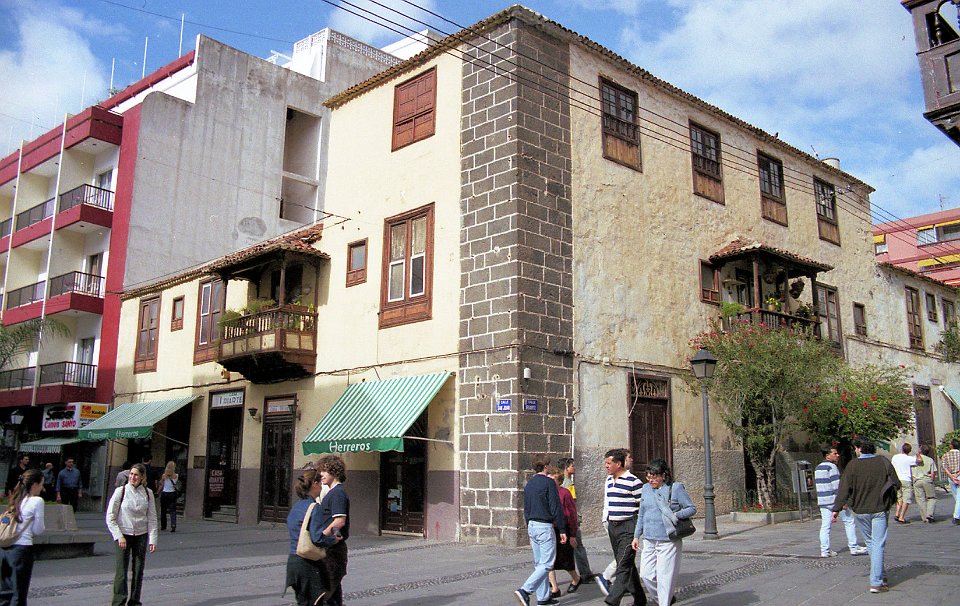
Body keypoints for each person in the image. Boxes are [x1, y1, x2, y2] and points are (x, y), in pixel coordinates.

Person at [832, 439, 900, 594]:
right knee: (878, 543)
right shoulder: (883, 462)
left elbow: (844, 489)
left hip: (860, 510)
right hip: (880, 508)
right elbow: (896, 482)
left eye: (855, 448)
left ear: (859, 448)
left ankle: (880, 576)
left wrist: (836, 509)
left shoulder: (852, 465)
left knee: (871, 543)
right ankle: (876, 581)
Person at [631, 458, 696, 606]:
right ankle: (664, 599)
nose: (651, 480)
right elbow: (642, 514)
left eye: (654, 477)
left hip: (668, 539)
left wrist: (674, 515)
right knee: (646, 575)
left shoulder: (675, 488)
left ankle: (664, 601)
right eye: (648, 476)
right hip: (649, 538)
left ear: (664, 475)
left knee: (664, 578)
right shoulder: (646, 488)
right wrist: (636, 536)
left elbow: (691, 508)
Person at [514, 455, 566, 606]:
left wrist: (528, 525)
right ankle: (525, 590)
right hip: (544, 525)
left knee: (539, 564)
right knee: (547, 564)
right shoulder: (549, 483)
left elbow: (526, 508)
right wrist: (562, 528)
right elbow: (555, 507)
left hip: (532, 525)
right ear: (546, 466)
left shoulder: (529, 484)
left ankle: (543, 598)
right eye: (548, 465)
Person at [106, 463, 158, 606]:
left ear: (142, 477)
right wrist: (118, 536)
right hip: (123, 534)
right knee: (121, 570)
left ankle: (135, 601)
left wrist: (153, 539)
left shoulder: (148, 493)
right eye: (131, 474)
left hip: (141, 534)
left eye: (136, 475)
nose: (133, 477)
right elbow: (110, 516)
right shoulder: (121, 491)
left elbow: (152, 518)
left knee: (138, 569)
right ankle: (119, 601)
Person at [601, 448, 645, 606]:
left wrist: (637, 531)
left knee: (623, 565)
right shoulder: (609, 480)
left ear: (618, 464)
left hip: (628, 527)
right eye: (605, 463)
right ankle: (640, 598)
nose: (606, 466)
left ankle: (613, 600)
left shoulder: (633, 481)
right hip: (613, 527)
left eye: (609, 463)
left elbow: (643, 506)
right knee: (626, 563)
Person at [285, 467, 330, 606]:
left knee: (303, 602)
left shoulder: (296, 507)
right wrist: (333, 539)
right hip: (308, 564)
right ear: (314, 484)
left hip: (293, 561)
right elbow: (317, 538)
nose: (321, 486)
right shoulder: (314, 507)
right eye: (320, 483)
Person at [0, 469, 45, 605]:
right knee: (19, 593)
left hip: (4, 550)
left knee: (5, 593)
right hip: (22, 550)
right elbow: (38, 530)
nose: (42, 488)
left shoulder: (15, 499)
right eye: (41, 484)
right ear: (34, 485)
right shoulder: (37, 501)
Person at [814, 446, 867, 557]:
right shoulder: (832, 467)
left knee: (825, 525)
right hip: (834, 500)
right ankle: (853, 547)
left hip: (823, 500)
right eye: (835, 453)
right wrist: (843, 501)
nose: (837, 455)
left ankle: (825, 550)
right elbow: (837, 486)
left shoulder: (818, 468)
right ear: (827, 456)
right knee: (849, 521)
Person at [598, 448, 633, 597]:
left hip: (614, 519)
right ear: (621, 462)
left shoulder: (621, 477)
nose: (631, 460)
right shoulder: (618, 478)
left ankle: (626, 584)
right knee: (624, 554)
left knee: (626, 553)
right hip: (616, 521)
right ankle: (606, 576)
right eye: (629, 458)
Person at [316, 454, 349, 606]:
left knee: (327, 593)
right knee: (333, 593)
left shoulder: (337, 493)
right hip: (331, 548)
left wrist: (321, 536)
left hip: (332, 551)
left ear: (334, 472)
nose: (321, 474)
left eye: (324, 471)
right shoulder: (332, 492)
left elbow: (339, 521)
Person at [546, 466, 581, 597]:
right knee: (549, 560)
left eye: (553, 479)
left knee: (566, 559)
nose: (550, 482)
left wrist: (572, 534)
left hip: (563, 529)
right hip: (550, 528)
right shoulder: (546, 493)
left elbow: (572, 514)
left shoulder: (565, 493)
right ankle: (555, 588)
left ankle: (576, 578)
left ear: (558, 481)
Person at [559, 457, 594, 585]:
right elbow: (572, 503)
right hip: (570, 520)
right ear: (566, 468)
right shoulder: (568, 484)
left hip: (563, 519)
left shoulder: (560, 482)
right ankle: (585, 573)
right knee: (578, 547)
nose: (574, 467)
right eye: (572, 466)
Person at [891, 443, 917, 523]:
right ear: (909, 451)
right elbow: (919, 461)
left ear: (902, 449)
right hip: (906, 479)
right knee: (906, 499)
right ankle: (901, 517)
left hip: (897, 479)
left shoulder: (895, 457)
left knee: (899, 497)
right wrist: (918, 454)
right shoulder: (909, 458)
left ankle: (897, 513)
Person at [913, 445, 937, 523]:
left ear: (920, 451)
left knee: (920, 500)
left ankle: (924, 517)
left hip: (917, 480)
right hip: (927, 479)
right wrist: (932, 480)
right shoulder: (930, 460)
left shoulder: (915, 459)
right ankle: (929, 514)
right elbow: (933, 472)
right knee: (931, 498)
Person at [941, 438, 960, 525]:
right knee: (958, 497)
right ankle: (956, 516)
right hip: (958, 475)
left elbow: (944, 467)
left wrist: (951, 476)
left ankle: (957, 515)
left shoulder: (946, 455)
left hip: (951, 477)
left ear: (951, 446)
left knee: (957, 496)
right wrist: (957, 475)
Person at [158, 461, 179, 533]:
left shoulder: (164, 475)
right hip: (172, 493)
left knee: (163, 510)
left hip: (164, 493)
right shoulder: (176, 475)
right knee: (172, 510)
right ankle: (173, 525)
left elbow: (161, 485)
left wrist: (158, 492)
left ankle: (163, 526)